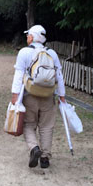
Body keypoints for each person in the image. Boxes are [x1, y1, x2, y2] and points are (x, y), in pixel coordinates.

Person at [11, 25, 66, 169]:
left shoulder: (24, 52)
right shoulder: (52, 53)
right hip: (48, 96)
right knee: (47, 126)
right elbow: (59, 76)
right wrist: (62, 96)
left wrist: (15, 96)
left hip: (30, 95)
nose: (27, 37)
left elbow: (18, 75)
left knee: (28, 124)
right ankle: (45, 158)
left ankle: (34, 148)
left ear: (32, 37)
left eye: (28, 35)